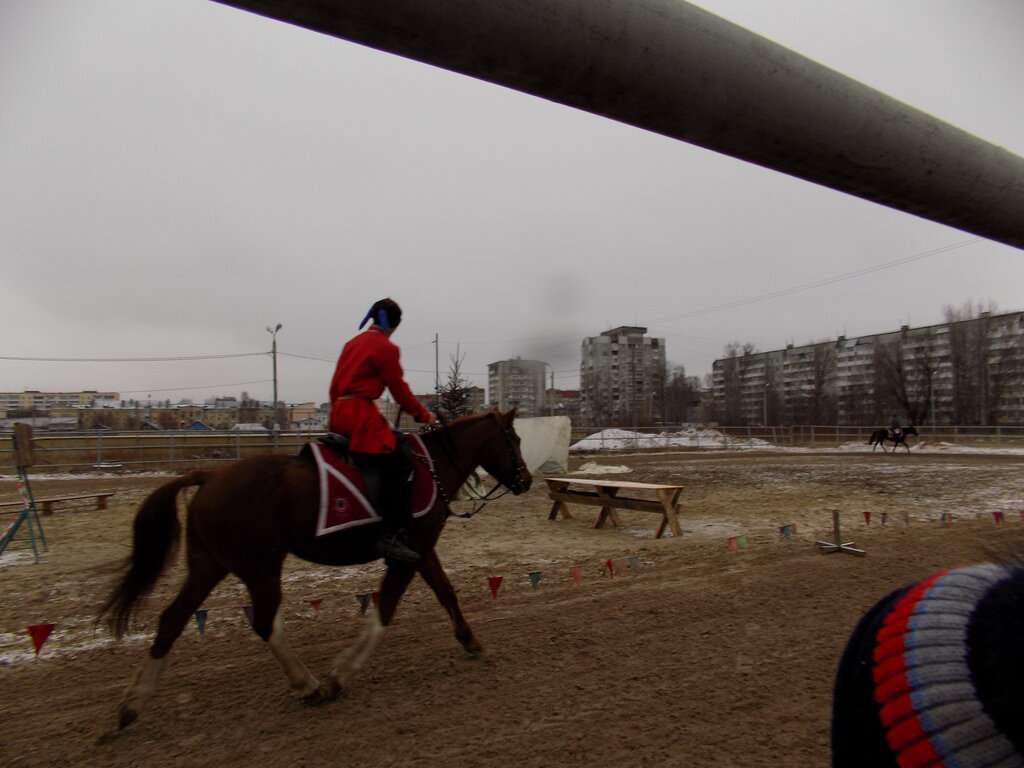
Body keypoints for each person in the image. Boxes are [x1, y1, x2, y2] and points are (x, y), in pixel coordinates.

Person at [328, 298, 435, 563]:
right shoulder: (385, 347)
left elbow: (333, 388)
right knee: (401, 461)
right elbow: (399, 390)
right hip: (361, 416)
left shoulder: (351, 344)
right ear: (394, 325)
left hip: (339, 414)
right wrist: (423, 414)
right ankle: (390, 536)